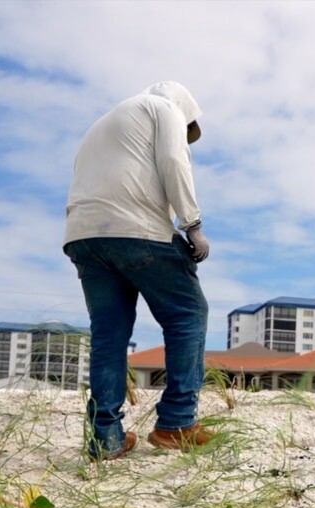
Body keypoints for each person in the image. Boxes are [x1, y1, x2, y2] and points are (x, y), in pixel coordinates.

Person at [63, 81, 216, 459]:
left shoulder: (102, 125)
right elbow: (174, 160)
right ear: (185, 109)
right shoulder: (165, 108)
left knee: (109, 334)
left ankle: (105, 438)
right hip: (138, 232)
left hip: (84, 237)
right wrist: (193, 224)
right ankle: (177, 423)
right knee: (188, 312)